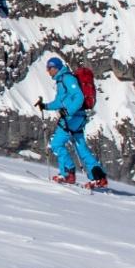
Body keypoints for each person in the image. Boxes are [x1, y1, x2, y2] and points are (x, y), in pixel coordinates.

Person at [36, 56, 107, 188]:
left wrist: (68, 111)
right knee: (81, 147)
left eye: (49, 68)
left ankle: (68, 173)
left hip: (72, 117)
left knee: (57, 144)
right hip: (77, 117)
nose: (48, 71)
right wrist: (45, 106)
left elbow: (79, 97)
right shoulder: (61, 80)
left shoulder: (67, 78)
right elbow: (60, 101)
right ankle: (98, 177)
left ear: (56, 67)